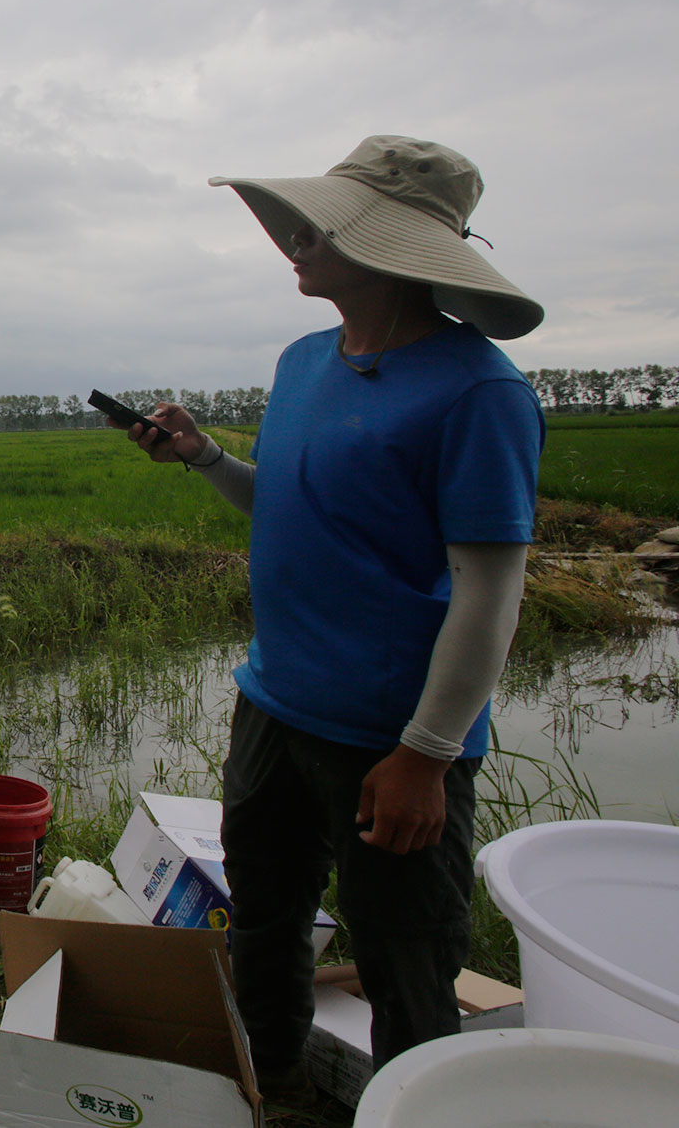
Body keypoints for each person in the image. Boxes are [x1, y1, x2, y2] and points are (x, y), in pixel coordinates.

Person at [115, 135, 545, 1101]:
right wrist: (202, 458)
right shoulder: (305, 360)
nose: (295, 241)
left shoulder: (479, 393)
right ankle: (261, 1081)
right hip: (274, 707)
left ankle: (416, 1107)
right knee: (265, 917)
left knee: (408, 957)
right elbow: (292, 505)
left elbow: (489, 589)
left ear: (391, 249)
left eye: (321, 227)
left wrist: (427, 755)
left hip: (388, 742)